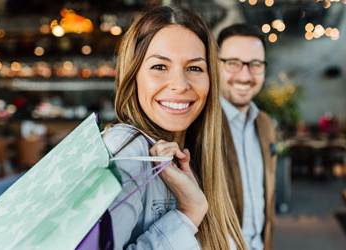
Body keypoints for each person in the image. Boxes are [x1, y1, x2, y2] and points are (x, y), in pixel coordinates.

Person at [102, 6, 246, 250]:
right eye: (160, 67)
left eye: (194, 68)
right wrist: (188, 215)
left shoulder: (196, 157)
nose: (180, 85)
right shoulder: (126, 152)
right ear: (133, 74)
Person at [217, 24, 277, 250]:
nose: (245, 75)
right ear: (216, 65)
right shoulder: (199, 126)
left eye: (255, 64)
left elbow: (267, 201)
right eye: (233, 63)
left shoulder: (265, 124)